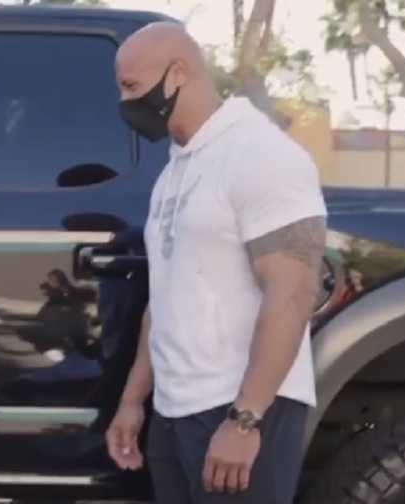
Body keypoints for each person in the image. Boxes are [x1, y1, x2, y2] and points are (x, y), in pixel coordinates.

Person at [105, 21, 328, 504]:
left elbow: (294, 291)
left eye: (132, 87)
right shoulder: (175, 172)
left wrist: (245, 420)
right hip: (175, 413)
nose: (125, 102)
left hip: (237, 410)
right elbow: (165, 300)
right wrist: (133, 401)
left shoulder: (260, 153)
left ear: (177, 72)